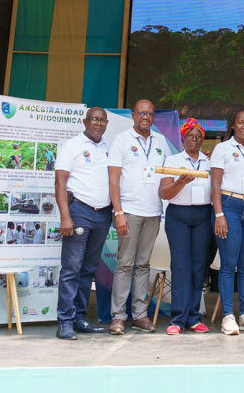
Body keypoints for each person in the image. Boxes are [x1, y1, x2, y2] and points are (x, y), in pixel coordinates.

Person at [54, 106, 114, 339]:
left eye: (102, 120)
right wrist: (65, 215)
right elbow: (60, 182)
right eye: (94, 120)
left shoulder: (109, 148)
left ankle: (79, 317)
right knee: (71, 268)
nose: (98, 124)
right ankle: (64, 321)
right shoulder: (72, 146)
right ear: (85, 121)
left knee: (88, 269)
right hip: (79, 211)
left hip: (103, 215)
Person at [108, 99, 166, 334]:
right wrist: (118, 212)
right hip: (129, 211)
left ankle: (140, 315)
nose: (145, 117)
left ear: (153, 117)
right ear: (133, 115)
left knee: (143, 265)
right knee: (125, 264)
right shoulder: (121, 140)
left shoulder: (160, 141)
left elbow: (167, 174)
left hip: (153, 212)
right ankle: (118, 316)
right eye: (141, 113)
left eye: (149, 114)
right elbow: (113, 179)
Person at [210, 108, 244, 335]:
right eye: (240, 122)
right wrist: (219, 215)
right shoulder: (222, 149)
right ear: (233, 125)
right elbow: (214, 184)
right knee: (228, 264)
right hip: (229, 206)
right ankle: (228, 317)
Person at [159, 119, 214, 335]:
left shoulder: (209, 161)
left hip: (203, 215)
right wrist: (180, 182)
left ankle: (193, 317)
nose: (195, 139)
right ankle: (178, 318)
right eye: (190, 135)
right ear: (183, 139)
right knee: (181, 266)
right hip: (179, 216)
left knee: (198, 265)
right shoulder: (172, 160)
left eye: (199, 135)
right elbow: (164, 193)